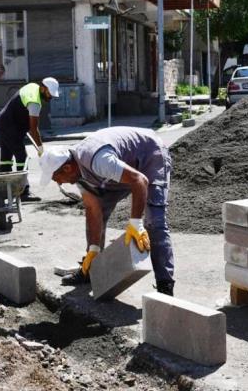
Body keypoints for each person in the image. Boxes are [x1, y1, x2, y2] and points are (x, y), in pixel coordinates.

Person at [39, 127, 175, 296]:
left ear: (67, 168)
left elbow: (139, 180)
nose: (58, 182)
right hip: (124, 168)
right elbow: (93, 209)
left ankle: (165, 286)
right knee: (99, 209)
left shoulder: (98, 160)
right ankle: (91, 268)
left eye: (56, 178)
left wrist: (136, 224)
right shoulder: (79, 174)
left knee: (154, 221)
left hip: (149, 156)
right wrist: (94, 249)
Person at [0, 77, 60, 202]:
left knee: (6, 159)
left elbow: (21, 110)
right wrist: (40, 148)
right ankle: (23, 192)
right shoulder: (35, 102)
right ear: (43, 88)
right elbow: (33, 129)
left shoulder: (32, 86)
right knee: (22, 158)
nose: (50, 97)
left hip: (3, 121)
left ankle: (3, 191)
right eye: (49, 94)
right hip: (10, 126)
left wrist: (24, 126)